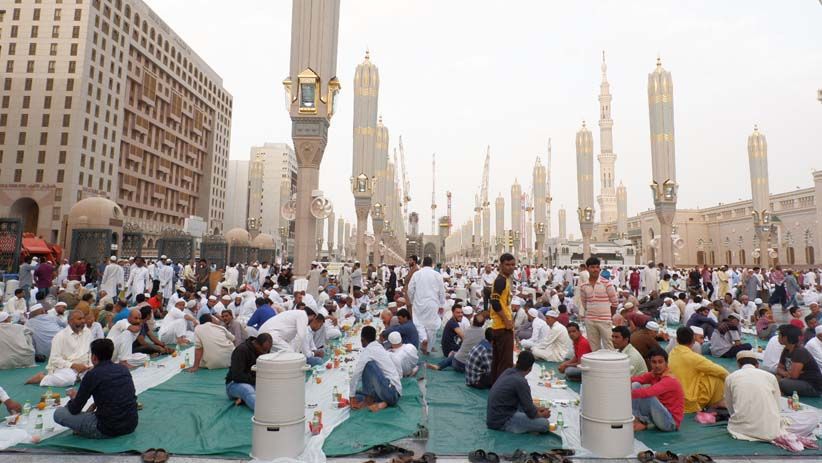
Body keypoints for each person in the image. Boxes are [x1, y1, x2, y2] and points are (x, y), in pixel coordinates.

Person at [725, 350, 818, 442]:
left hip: (739, 429)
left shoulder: (731, 377)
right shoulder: (770, 377)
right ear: (757, 365)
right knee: (812, 416)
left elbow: (730, 406)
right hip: (769, 430)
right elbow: (777, 407)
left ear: (738, 365)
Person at [53, 339, 138, 438]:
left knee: (59, 413)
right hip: (131, 424)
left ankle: (84, 427)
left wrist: (73, 398)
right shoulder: (123, 369)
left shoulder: (92, 374)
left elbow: (75, 409)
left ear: (93, 357)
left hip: (106, 429)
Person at [486, 351, 551, 434]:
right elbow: (531, 413)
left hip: (494, 416)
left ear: (517, 362)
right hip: (502, 421)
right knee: (544, 424)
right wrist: (542, 415)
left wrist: (537, 409)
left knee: (524, 404)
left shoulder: (508, 371)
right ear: (530, 368)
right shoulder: (521, 381)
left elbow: (527, 405)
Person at [669, 327, 728, 412]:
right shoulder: (693, 357)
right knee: (716, 377)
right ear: (693, 341)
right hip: (688, 402)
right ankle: (717, 403)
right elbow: (720, 371)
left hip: (673, 399)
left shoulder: (672, 352)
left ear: (677, 340)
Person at [26, 310, 92, 387]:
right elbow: (55, 359)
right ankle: (42, 377)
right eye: (79, 319)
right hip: (67, 367)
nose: (83, 321)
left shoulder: (87, 332)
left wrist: (91, 365)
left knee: (100, 374)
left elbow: (90, 351)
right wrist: (74, 365)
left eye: (83, 318)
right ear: (70, 321)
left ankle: (78, 377)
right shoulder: (60, 336)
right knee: (69, 379)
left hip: (85, 367)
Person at [349, 326, 402, 412]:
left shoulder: (368, 351)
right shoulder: (379, 346)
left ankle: (368, 400)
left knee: (368, 365)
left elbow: (356, 373)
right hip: (395, 393)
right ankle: (384, 402)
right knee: (358, 393)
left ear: (362, 339)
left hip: (391, 393)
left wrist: (351, 397)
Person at [630, 349, 684, 432]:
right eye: (654, 362)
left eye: (660, 362)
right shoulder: (654, 374)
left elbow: (647, 392)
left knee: (648, 396)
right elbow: (636, 379)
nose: (657, 365)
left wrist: (623, 394)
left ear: (666, 363)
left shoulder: (669, 379)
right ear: (650, 363)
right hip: (660, 415)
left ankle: (638, 421)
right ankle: (637, 419)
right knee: (635, 385)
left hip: (670, 423)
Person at [259, 308, 325, 365]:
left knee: (280, 355)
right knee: (290, 354)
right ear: (313, 316)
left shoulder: (297, 314)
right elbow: (301, 337)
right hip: (270, 335)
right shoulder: (303, 315)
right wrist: (297, 357)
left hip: (270, 334)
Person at [408, 256, 446, 354]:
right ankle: (428, 348)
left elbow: (410, 289)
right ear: (432, 264)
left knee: (418, 323)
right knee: (431, 326)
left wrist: (412, 300)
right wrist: (441, 304)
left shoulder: (417, 274)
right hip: (433, 303)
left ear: (423, 264)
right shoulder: (437, 275)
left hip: (419, 302)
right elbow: (442, 292)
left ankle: (423, 338)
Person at [225, 334, 273, 410]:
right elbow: (237, 376)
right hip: (234, 383)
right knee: (247, 390)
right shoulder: (241, 350)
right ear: (256, 344)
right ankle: (265, 412)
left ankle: (244, 399)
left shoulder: (264, 351)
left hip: (254, 382)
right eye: (263, 350)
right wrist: (259, 381)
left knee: (272, 389)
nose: (265, 353)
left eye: (267, 351)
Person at [579, 257, 618, 351]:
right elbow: (585, 304)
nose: (595, 269)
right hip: (590, 320)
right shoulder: (583, 286)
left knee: (609, 346)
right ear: (587, 268)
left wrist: (608, 316)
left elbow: (615, 303)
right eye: (592, 267)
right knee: (594, 347)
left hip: (605, 320)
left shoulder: (606, 283)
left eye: (597, 267)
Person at [489, 253, 516, 382]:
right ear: (501, 265)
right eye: (507, 265)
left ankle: (496, 386)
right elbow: (495, 302)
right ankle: (503, 390)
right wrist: (506, 320)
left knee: (498, 360)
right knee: (505, 362)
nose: (510, 267)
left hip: (500, 326)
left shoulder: (505, 280)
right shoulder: (500, 281)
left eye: (513, 265)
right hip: (502, 327)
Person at [775, 324, 822, 397]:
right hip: (796, 380)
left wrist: (785, 373)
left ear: (785, 338)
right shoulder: (786, 350)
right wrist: (787, 373)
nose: (778, 337)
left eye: (779, 335)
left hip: (811, 385)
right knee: (774, 378)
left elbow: (794, 376)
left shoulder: (799, 351)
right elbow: (778, 369)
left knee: (783, 383)